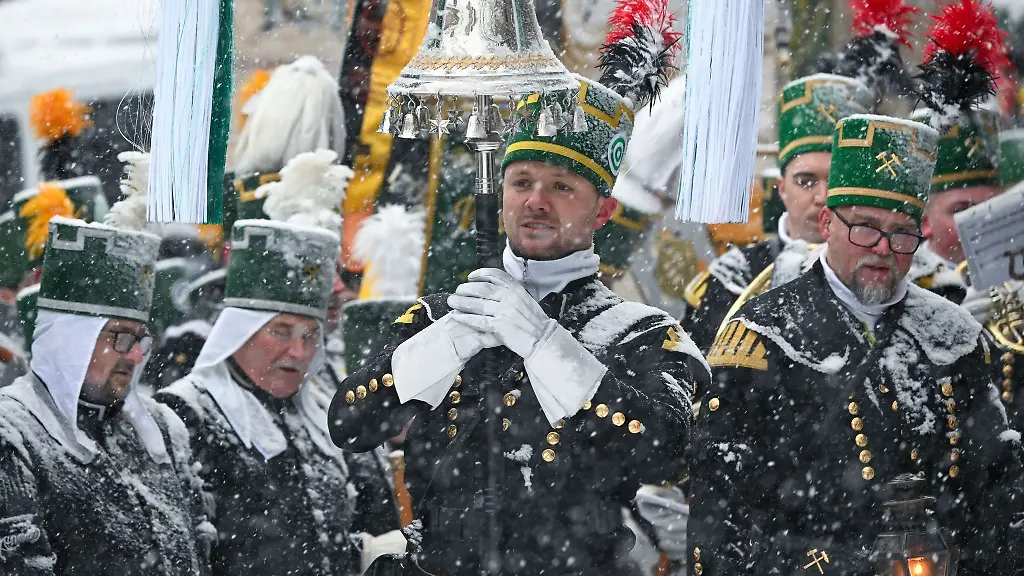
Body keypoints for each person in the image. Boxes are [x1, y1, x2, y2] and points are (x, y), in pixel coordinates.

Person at [329, 8, 710, 567]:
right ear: (500, 191)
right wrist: (450, 340)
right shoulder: (443, 315)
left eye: (562, 187)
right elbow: (350, 422)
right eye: (522, 181)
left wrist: (543, 342)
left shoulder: (644, 333)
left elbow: (663, 451)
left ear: (603, 211)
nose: (536, 201)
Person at [687, 113, 1024, 575]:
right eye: (864, 226)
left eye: (901, 232)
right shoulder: (760, 336)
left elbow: (999, 494)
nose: (883, 248)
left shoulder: (956, 335)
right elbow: (722, 522)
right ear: (827, 222)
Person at [155, 150, 402, 576]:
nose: (299, 352)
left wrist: (367, 553)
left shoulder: (321, 410)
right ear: (239, 332)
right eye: (281, 332)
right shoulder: (186, 415)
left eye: (309, 336)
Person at [0, 215, 214, 575]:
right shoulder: (13, 435)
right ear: (69, 337)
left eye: (140, 338)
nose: (135, 355)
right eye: (120, 336)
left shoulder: (163, 428)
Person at [681, 74, 872, 351]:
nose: (822, 198)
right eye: (806, 181)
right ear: (781, 187)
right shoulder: (730, 281)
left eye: (837, 182)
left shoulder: (883, 276)